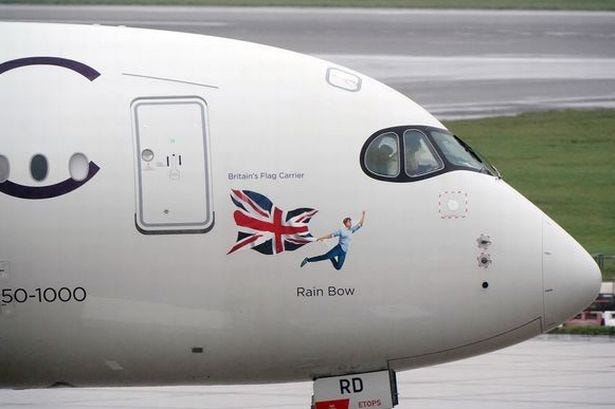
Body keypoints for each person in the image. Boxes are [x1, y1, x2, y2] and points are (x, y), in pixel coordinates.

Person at [301, 211, 366, 270]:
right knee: (324, 257)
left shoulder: (351, 230)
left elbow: (360, 224)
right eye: (349, 221)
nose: (350, 223)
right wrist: (321, 238)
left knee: (338, 267)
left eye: (350, 221)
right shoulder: (341, 231)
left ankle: (331, 257)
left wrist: (363, 215)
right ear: (345, 223)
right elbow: (331, 235)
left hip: (344, 252)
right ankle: (308, 260)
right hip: (338, 249)